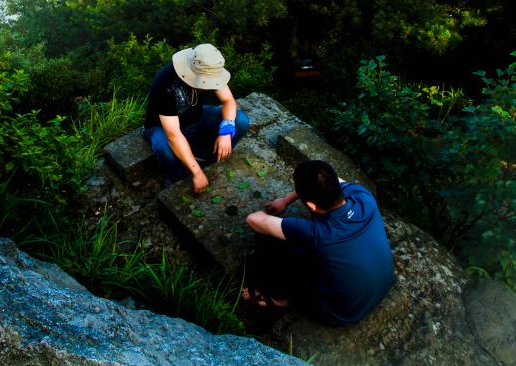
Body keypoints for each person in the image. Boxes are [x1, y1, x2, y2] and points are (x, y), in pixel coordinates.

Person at [243, 159, 395, 325]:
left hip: (340, 313)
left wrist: (279, 207)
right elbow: (333, 181)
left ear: (311, 205)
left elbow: (254, 220)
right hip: (382, 285)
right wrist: (285, 200)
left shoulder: (317, 234)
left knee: (269, 238)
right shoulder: (363, 196)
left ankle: (280, 299)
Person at [144, 43, 250, 193]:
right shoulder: (166, 83)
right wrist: (197, 173)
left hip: (196, 117)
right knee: (165, 150)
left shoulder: (209, 67)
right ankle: (178, 177)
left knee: (240, 121)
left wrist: (226, 130)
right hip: (163, 127)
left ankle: (204, 157)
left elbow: (228, 101)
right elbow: (173, 135)